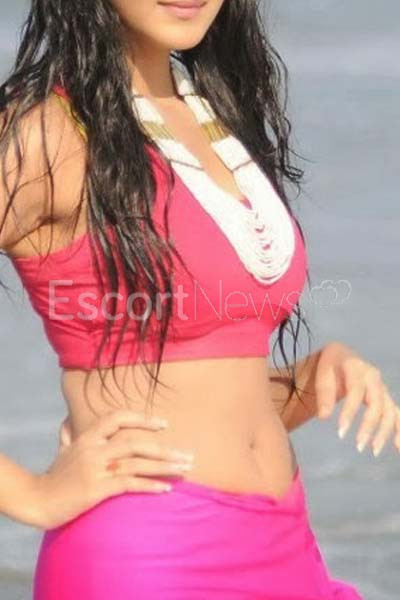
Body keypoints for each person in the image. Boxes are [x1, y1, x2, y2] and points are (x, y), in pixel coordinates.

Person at [0, 1, 398, 598]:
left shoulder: (211, 110)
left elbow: (194, 391)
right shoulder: (50, 134)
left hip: (286, 545)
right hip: (148, 556)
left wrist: (306, 381)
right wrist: (32, 494)